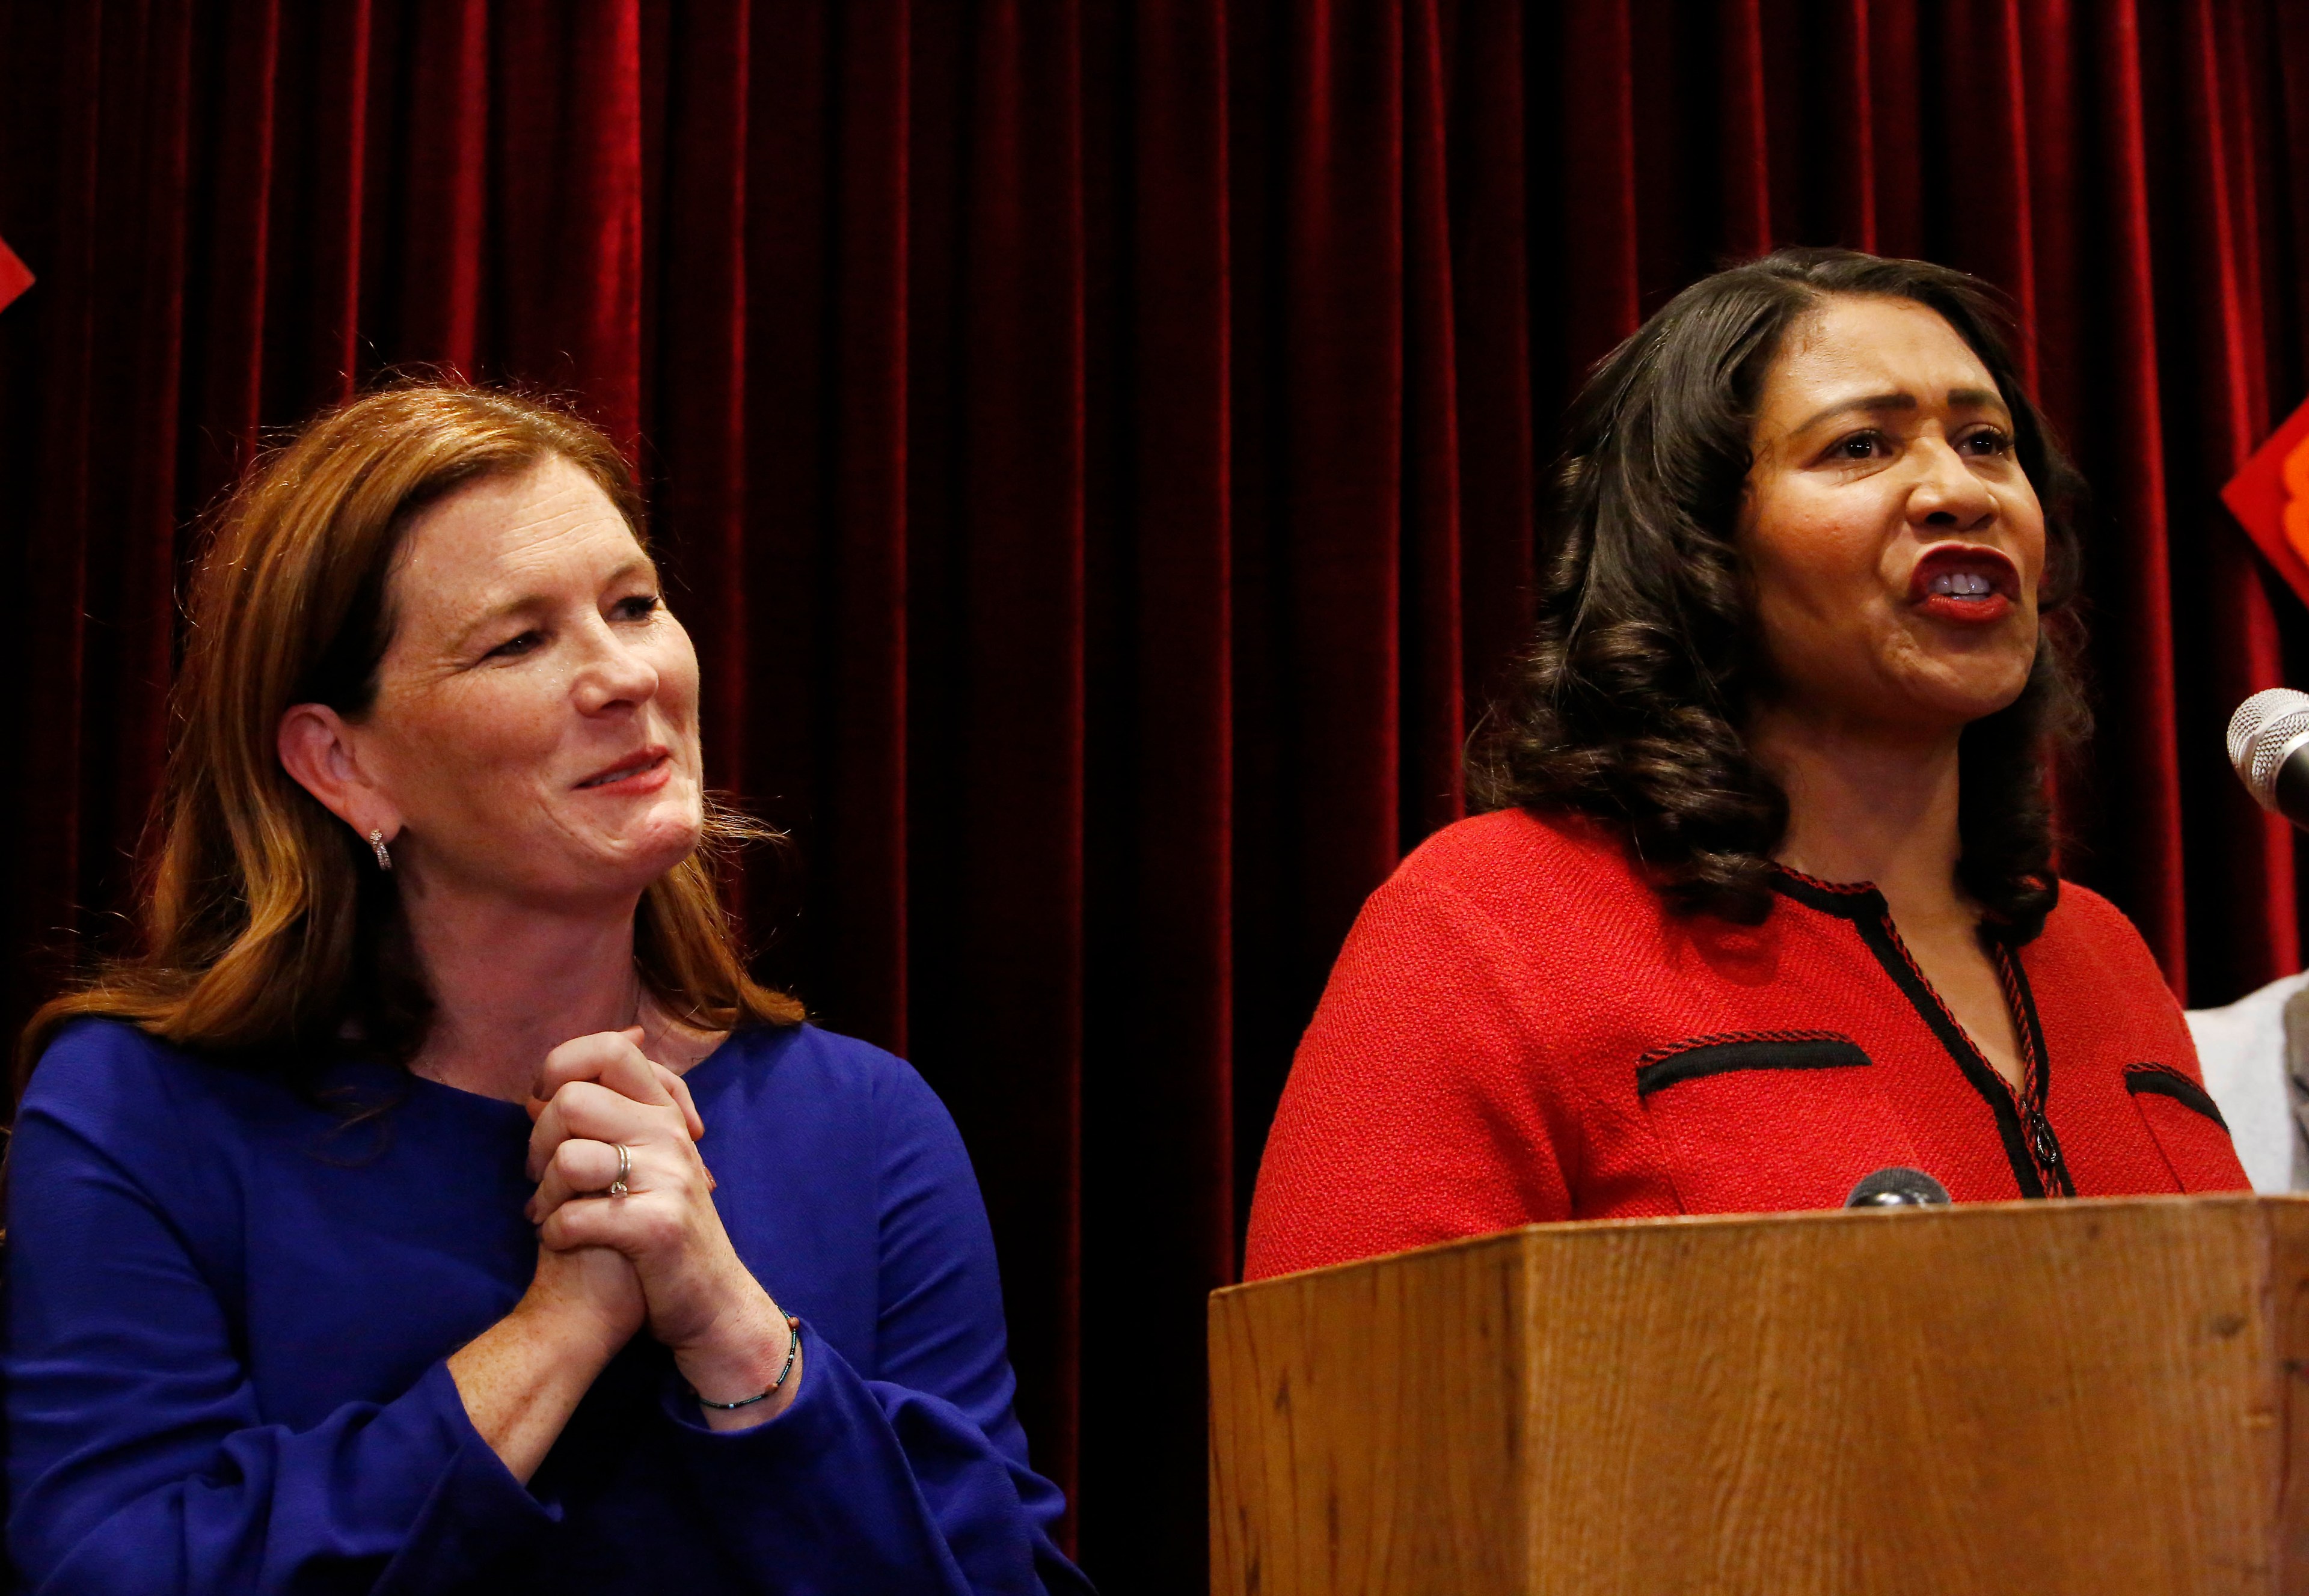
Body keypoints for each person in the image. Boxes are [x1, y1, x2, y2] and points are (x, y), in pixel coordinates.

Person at [5, 385, 1093, 1595]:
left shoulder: (869, 1123)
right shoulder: (141, 1108)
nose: (625, 674)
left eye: (634, 605)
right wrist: (558, 1330)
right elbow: (119, 1572)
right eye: (521, 640)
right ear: (343, 763)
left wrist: (732, 1328)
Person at [1245, 248, 2249, 1282]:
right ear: (1698, 545)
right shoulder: (1495, 921)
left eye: (1987, 442)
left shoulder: (2101, 953)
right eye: (1862, 445)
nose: (1959, 490)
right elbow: (1333, 1413)